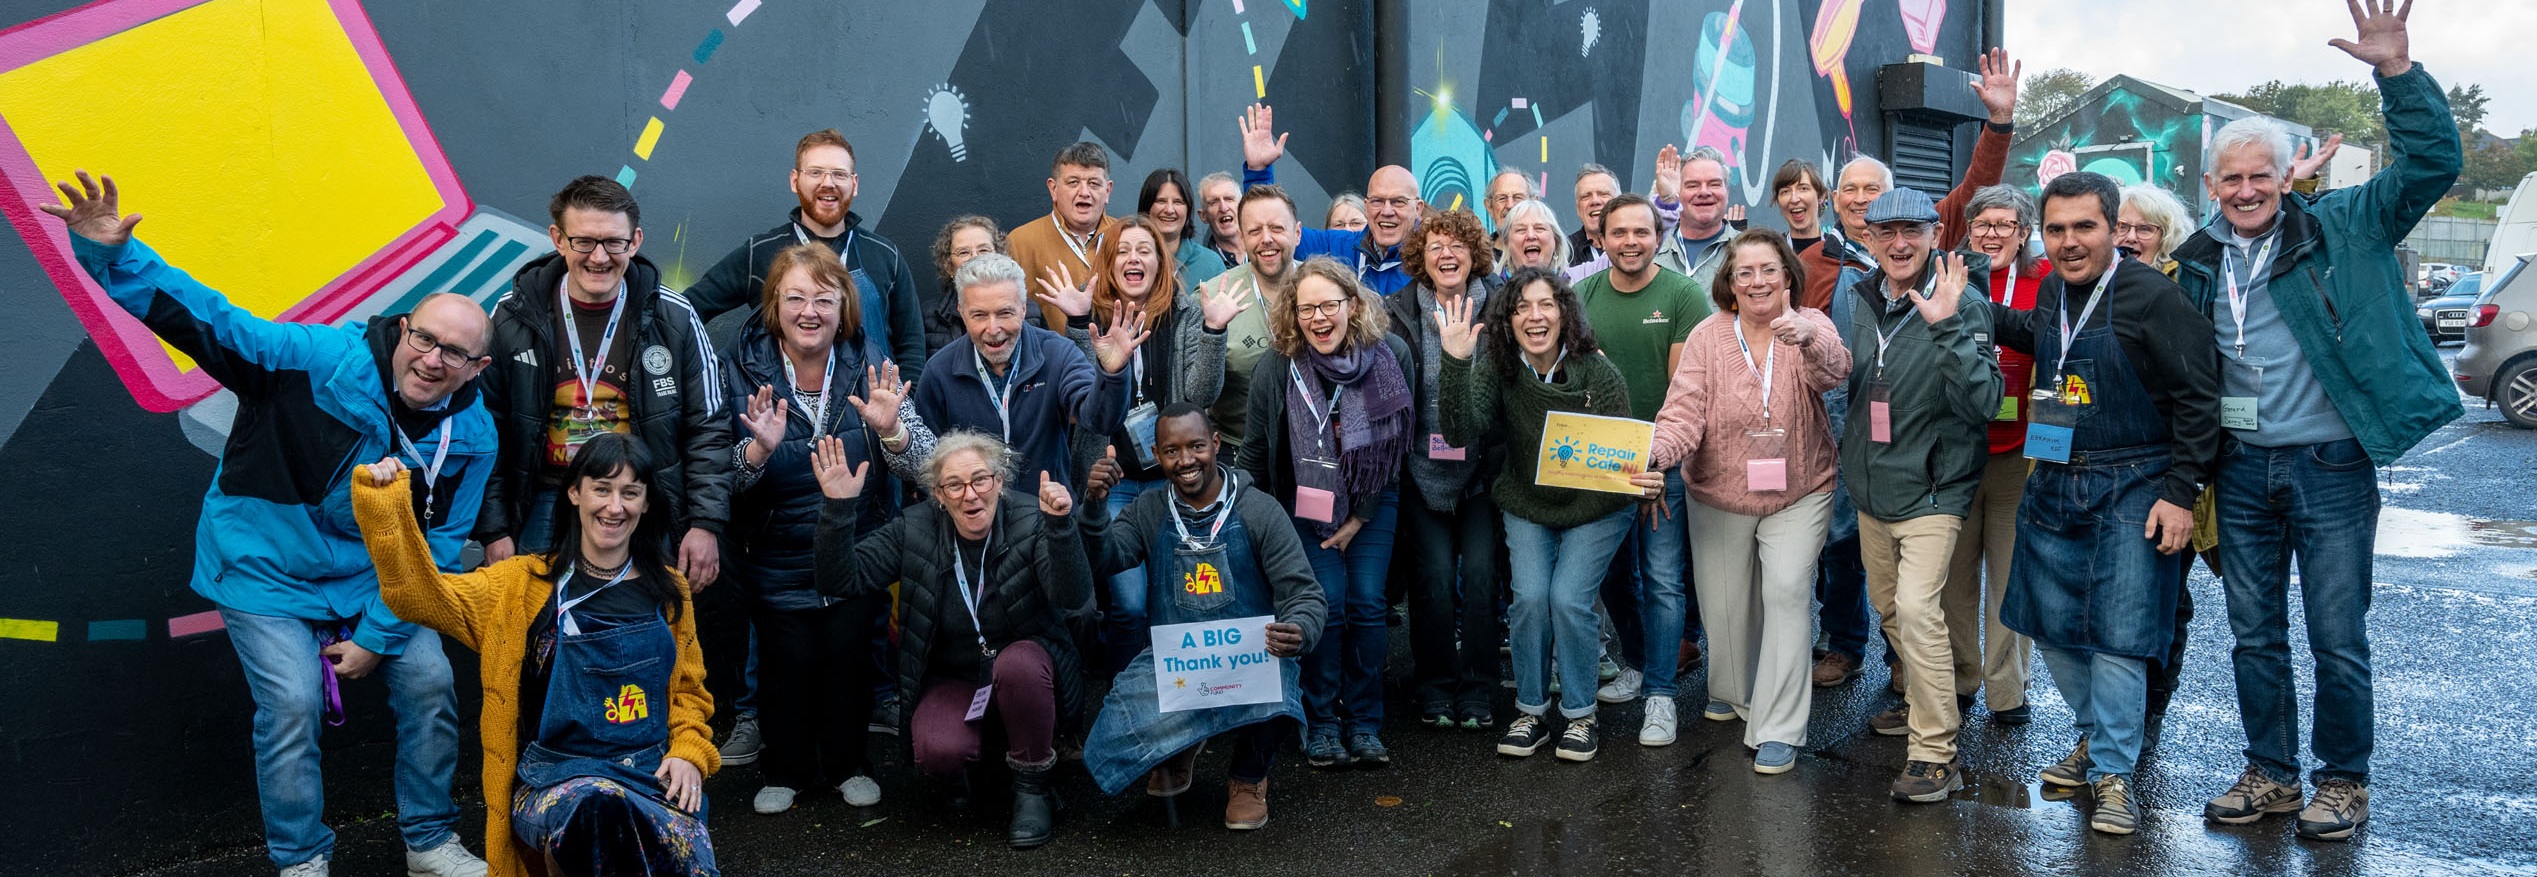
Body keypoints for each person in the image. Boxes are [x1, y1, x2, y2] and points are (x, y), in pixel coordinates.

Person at [45, 172, 496, 877]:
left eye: (455, 354)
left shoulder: (473, 434)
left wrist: (377, 636)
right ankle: (300, 860)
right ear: (404, 328)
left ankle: (430, 840)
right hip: (263, 567)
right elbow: (213, 321)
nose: (433, 359)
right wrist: (115, 256)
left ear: (478, 368)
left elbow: (435, 547)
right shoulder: (315, 362)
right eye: (425, 338)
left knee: (431, 682)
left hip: (374, 582)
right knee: (289, 700)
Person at [2173, 0, 2461, 841]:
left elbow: (2431, 164)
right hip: (2241, 469)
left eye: (2259, 174)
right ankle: (2270, 770)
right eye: (2230, 179)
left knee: (2336, 637)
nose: (2245, 190)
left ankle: (2342, 779)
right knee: (2251, 635)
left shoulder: (2343, 224)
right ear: (2211, 187)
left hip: (2330, 465)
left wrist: (2396, 74)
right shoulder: (2197, 259)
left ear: (2288, 172)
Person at [1980, 171, 2222, 836]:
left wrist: (2180, 494)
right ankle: (2095, 738)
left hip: (2135, 481)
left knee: (2119, 635)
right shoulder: (2056, 289)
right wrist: (1965, 297)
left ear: (2113, 230)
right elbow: (2040, 336)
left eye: (2082, 227)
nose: (2067, 242)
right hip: (2056, 474)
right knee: (2048, 620)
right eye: (2054, 229)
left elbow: (2200, 399)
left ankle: (2115, 772)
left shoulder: (2152, 295)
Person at [353, 433, 716, 876]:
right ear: (574, 492)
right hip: (556, 781)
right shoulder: (518, 586)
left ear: (645, 503)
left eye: (630, 493)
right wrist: (385, 506)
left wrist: (689, 753)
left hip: (652, 775)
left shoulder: (670, 590)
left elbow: (688, 694)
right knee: (597, 809)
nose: (615, 506)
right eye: (601, 488)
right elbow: (415, 596)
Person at [1802, 50, 2020, 694]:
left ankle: (1937, 715)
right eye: (1858, 198)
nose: (1893, 235)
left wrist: (1999, 125)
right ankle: (1886, 663)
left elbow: (1973, 189)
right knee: (1877, 584)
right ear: (1841, 209)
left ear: (1929, 232)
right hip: (1863, 442)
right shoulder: (1826, 267)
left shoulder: (1946, 281)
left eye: (1880, 195)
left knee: (1930, 601)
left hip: (1937, 462)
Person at [722, 244, 936, 815]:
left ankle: (848, 764)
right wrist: (756, 451)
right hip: (774, 552)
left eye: (823, 298)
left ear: (844, 308)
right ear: (774, 305)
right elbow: (718, 477)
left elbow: (927, 468)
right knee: (783, 665)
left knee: (847, 662)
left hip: (857, 548)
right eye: (795, 297)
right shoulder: (739, 370)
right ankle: (785, 768)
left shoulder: (873, 368)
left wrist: (893, 433)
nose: (809, 310)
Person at [812, 431, 1092, 850]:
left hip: (1025, 669)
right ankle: (979, 769)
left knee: (1017, 665)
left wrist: (1061, 527)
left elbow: (1072, 599)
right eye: (954, 485)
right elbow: (841, 579)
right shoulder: (915, 528)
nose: (970, 495)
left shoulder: (1031, 519)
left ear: (1000, 481)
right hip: (956, 675)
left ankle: (1033, 787)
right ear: (938, 495)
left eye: (980, 479)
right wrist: (837, 509)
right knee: (938, 747)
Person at [1434, 267, 1657, 762]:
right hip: (1528, 500)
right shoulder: (1500, 367)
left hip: (1596, 507)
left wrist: (1648, 474)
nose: (1534, 317)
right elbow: (1459, 432)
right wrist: (1454, 361)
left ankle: (1580, 717)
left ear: (1564, 313)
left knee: (1568, 599)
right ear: (1508, 320)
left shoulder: (1597, 371)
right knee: (1531, 598)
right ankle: (1531, 711)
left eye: (1545, 305)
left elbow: (1625, 450)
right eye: (1521, 308)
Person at [1648, 230, 1850, 774]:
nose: (1758, 281)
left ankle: (1780, 728)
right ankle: (1736, 690)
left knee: (1786, 592)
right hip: (1719, 491)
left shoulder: (1812, 326)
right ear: (1730, 283)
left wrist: (1808, 337)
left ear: (1788, 276)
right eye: (1746, 272)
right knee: (1727, 610)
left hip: (1800, 489)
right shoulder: (1708, 337)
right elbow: (1683, 411)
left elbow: (1836, 372)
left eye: (1769, 270)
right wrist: (1658, 453)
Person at [477, 176, 732, 595]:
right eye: (584, 242)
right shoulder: (512, 316)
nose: (599, 257)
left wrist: (705, 525)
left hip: (641, 501)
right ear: (558, 239)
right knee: (534, 625)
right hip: (547, 499)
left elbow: (709, 427)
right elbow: (488, 431)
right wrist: (493, 530)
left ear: (635, 241)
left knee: (647, 625)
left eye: (614, 242)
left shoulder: (675, 317)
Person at [1075, 404, 1325, 829]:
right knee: (1113, 728)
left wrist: (1299, 629)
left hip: (1248, 663)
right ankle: (1181, 746)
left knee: (1282, 683)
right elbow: (1106, 561)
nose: (1185, 460)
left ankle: (1247, 778)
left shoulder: (1259, 509)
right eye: (1171, 451)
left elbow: (1305, 593)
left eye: (1195, 446)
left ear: (1216, 444)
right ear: (1156, 453)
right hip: (1179, 667)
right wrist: (1095, 508)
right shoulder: (1148, 511)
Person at [1837, 186, 2000, 803]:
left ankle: (1936, 751)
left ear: (1936, 235)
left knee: (1915, 610)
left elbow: (1981, 403)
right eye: (1885, 233)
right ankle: (1924, 699)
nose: (1899, 244)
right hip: (1873, 487)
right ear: (1870, 241)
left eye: (1913, 231)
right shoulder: (1857, 298)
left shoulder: (1963, 302)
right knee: (1890, 612)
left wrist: (1948, 325)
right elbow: (1848, 381)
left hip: (1935, 490)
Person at [1040, 215, 1247, 671]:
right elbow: (1081, 402)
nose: (1134, 258)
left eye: (1145, 250)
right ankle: (1126, 701)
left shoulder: (1189, 313)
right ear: (1110, 263)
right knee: (1129, 606)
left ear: (1161, 261)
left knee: (1180, 597)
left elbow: (1200, 397)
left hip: (1176, 483)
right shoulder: (1088, 315)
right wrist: (1077, 324)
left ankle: (1185, 700)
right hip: (1114, 484)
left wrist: (1214, 333)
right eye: (1124, 251)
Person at [1236, 256, 1414, 768]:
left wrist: (1360, 516)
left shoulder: (1391, 354)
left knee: (1365, 603)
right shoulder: (1277, 365)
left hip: (1373, 499)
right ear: (1293, 314)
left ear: (1352, 306)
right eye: (1306, 307)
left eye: (1328, 305)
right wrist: (1245, 513)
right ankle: (1320, 722)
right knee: (1327, 605)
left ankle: (1364, 723)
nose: (1318, 318)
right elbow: (1253, 451)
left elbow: (1397, 446)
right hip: (1302, 506)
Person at [1571, 193, 1709, 744]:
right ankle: (1635, 660)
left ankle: (1660, 694)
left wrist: (1653, 462)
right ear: (1600, 239)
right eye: (1618, 233)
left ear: (1659, 237)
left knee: (1662, 578)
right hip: (1602, 461)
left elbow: (1683, 393)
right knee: (1607, 574)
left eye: (1641, 232)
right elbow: (1576, 382)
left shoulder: (1682, 293)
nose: (1630, 242)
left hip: (1664, 458)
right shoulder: (1580, 296)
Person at [682, 129, 927, 381]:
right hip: (780, 412)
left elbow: (912, 347)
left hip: (871, 410)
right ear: (794, 180)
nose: (828, 183)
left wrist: (906, 409)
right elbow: (685, 310)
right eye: (816, 172)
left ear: (854, 185)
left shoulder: (885, 256)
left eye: (839, 174)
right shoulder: (761, 252)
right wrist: (709, 383)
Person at [1388, 208, 1505, 729]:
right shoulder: (1396, 312)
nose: (1446, 255)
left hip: (1482, 472)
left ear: (1474, 254)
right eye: (1434, 246)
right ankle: (1435, 686)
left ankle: (1478, 689)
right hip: (1418, 468)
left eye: (1457, 246)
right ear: (1420, 257)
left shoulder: (1500, 307)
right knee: (1432, 579)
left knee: (1480, 577)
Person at [1801, 48, 2022, 311]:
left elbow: (1977, 189)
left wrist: (1999, 122)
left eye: (1872, 189)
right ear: (1836, 200)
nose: (1860, 199)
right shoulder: (1810, 263)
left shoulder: (1924, 231)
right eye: (1851, 189)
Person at [1940, 185, 2045, 727]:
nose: (1992, 234)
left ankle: (2007, 690)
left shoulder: (2044, 281)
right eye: (1982, 223)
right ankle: (1961, 679)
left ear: (2024, 232)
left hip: (2020, 454)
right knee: (1955, 576)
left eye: (2005, 225)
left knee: (2009, 576)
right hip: (1958, 450)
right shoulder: (1950, 280)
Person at [914, 252, 1137, 491]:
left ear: (1023, 309)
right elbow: (928, 460)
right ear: (962, 312)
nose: (993, 328)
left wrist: (1113, 373)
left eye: (1004, 313)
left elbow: (1100, 420)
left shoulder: (1057, 354)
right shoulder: (939, 371)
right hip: (974, 520)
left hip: (1049, 515)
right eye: (979, 315)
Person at [1239, 103, 1420, 295]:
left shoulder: (1434, 256)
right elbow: (1283, 237)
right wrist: (1258, 173)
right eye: (1377, 201)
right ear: (1366, 206)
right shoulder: (1340, 247)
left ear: (1418, 207)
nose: (1387, 211)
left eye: (1398, 201)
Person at [1199, 185, 1309, 452]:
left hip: (1314, 448)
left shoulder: (1329, 289)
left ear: (1297, 233)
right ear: (1241, 237)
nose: (1266, 239)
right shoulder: (1213, 297)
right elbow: (1198, 396)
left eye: (1277, 228)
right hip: (1237, 449)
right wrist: (1213, 330)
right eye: (1255, 231)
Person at [1010, 141, 1124, 328]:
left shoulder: (1126, 237)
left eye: (1094, 184)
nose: (1084, 192)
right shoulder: (1019, 243)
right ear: (1053, 189)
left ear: (1108, 191)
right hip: (1052, 357)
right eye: (1073, 183)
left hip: (1122, 354)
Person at [1652, 147, 1738, 282]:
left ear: (1727, 191)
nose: (1704, 192)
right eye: (1692, 185)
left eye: (1714, 184)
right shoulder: (1651, 248)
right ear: (1678, 192)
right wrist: (1668, 199)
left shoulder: (1748, 250)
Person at [1138, 168, 1228, 291]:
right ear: (1146, 207)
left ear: (1188, 210)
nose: (1169, 210)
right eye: (1161, 201)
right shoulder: (1130, 260)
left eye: (1178, 202)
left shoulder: (1211, 264)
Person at [2114, 184, 2195, 272]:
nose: (2131, 237)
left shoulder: (2180, 283)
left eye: (2144, 229)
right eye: (2122, 227)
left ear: (2166, 237)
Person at [1771, 159, 1831, 253]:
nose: (1794, 199)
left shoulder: (1839, 251)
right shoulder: (1771, 252)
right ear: (1778, 201)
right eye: (1785, 192)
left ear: (1821, 196)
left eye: (1803, 189)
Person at [1500, 198, 1573, 274]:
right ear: (1507, 243)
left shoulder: (1576, 283)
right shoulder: (1493, 285)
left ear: (1556, 241)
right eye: (1521, 230)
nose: (1531, 236)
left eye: (1539, 228)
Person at [1569, 164, 1621, 267]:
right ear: (1578, 209)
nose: (1595, 201)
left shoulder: (1636, 243)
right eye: (1586, 196)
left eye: (1603, 194)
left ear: (1619, 202)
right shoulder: (1565, 252)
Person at [1196, 171, 1248, 270]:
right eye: (1213, 202)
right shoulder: (1204, 268)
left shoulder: (1264, 248)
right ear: (1203, 216)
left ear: (1242, 206)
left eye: (1229, 199)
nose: (1223, 208)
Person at [1483, 167, 1537, 233]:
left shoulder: (1548, 243)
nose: (1510, 205)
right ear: (1490, 208)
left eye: (1518, 197)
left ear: (1534, 204)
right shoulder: (1481, 243)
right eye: (1502, 198)